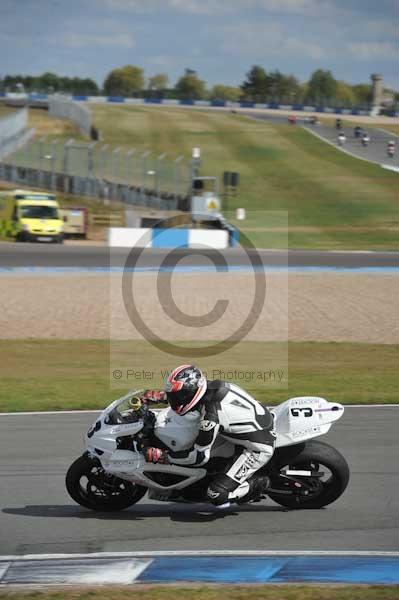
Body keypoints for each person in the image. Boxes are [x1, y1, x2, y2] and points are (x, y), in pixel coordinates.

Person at [142, 365, 276, 507]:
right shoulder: (208, 387)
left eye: (180, 396)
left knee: (217, 494)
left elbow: (198, 457)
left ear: (192, 392)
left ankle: (260, 483)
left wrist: (164, 456)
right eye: (174, 395)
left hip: (257, 447)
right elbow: (184, 394)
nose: (176, 399)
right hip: (250, 425)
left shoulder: (210, 418)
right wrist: (161, 396)